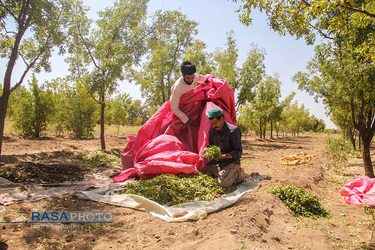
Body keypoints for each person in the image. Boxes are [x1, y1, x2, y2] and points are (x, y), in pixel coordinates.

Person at [202, 108, 245, 187]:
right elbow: (211, 145)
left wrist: (223, 156)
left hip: (231, 163)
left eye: (215, 123)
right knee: (203, 173)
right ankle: (225, 174)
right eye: (212, 123)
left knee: (223, 183)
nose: (214, 125)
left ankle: (239, 174)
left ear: (221, 118)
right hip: (218, 163)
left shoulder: (233, 131)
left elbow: (238, 152)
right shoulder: (213, 130)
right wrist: (207, 150)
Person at [170, 61, 206, 125]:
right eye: (188, 78)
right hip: (182, 111)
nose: (191, 80)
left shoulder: (193, 77)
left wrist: (207, 80)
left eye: (192, 78)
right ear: (183, 75)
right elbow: (174, 107)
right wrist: (186, 120)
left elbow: (200, 78)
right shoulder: (177, 88)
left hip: (193, 106)